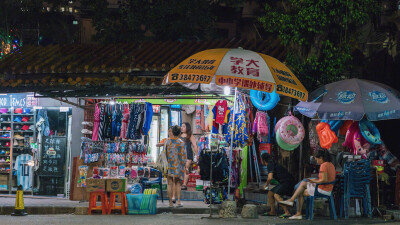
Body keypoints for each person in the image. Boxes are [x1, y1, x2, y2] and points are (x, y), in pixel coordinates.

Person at [279, 149, 336, 220]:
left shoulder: (323, 165)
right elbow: (326, 179)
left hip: (323, 189)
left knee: (301, 188)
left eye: (317, 159)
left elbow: (324, 180)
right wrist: (313, 180)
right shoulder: (331, 164)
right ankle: (293, 205)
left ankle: (294, 206)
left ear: (321, 158)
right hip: (328, 188)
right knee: (301, 188)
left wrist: (314, 182)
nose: (317, 161)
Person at [261, 153, 295, 218]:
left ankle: (287, 212)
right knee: (270, 193)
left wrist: (266, 185)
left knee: (276, 195)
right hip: (284, 182)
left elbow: (270, 178)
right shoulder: (273, 163)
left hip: (287, 182)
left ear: (263, 160)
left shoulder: (270, 164)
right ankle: (272, 211)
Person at [165, 125, 187, 208]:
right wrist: (185, 166)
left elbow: (165, 153)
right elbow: (184, 156)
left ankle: (170, 203)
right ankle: (178, 201)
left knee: (169, 183)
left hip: (169, 165)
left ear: (172, 132)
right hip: (178, 165)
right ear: (179, 133)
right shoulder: (181, 142)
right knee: (178, 183)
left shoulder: (167, 141)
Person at [180, 122, 198, 190]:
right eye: (181, 126)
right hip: (180, 155)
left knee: (186, 169)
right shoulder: (179, 135)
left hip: (188, 155)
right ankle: (180, 183)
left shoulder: (190, 135)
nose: (182, 128)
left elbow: (195, 146)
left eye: (184, 126)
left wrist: (197, 155)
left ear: (187, 127)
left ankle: (184, 184)